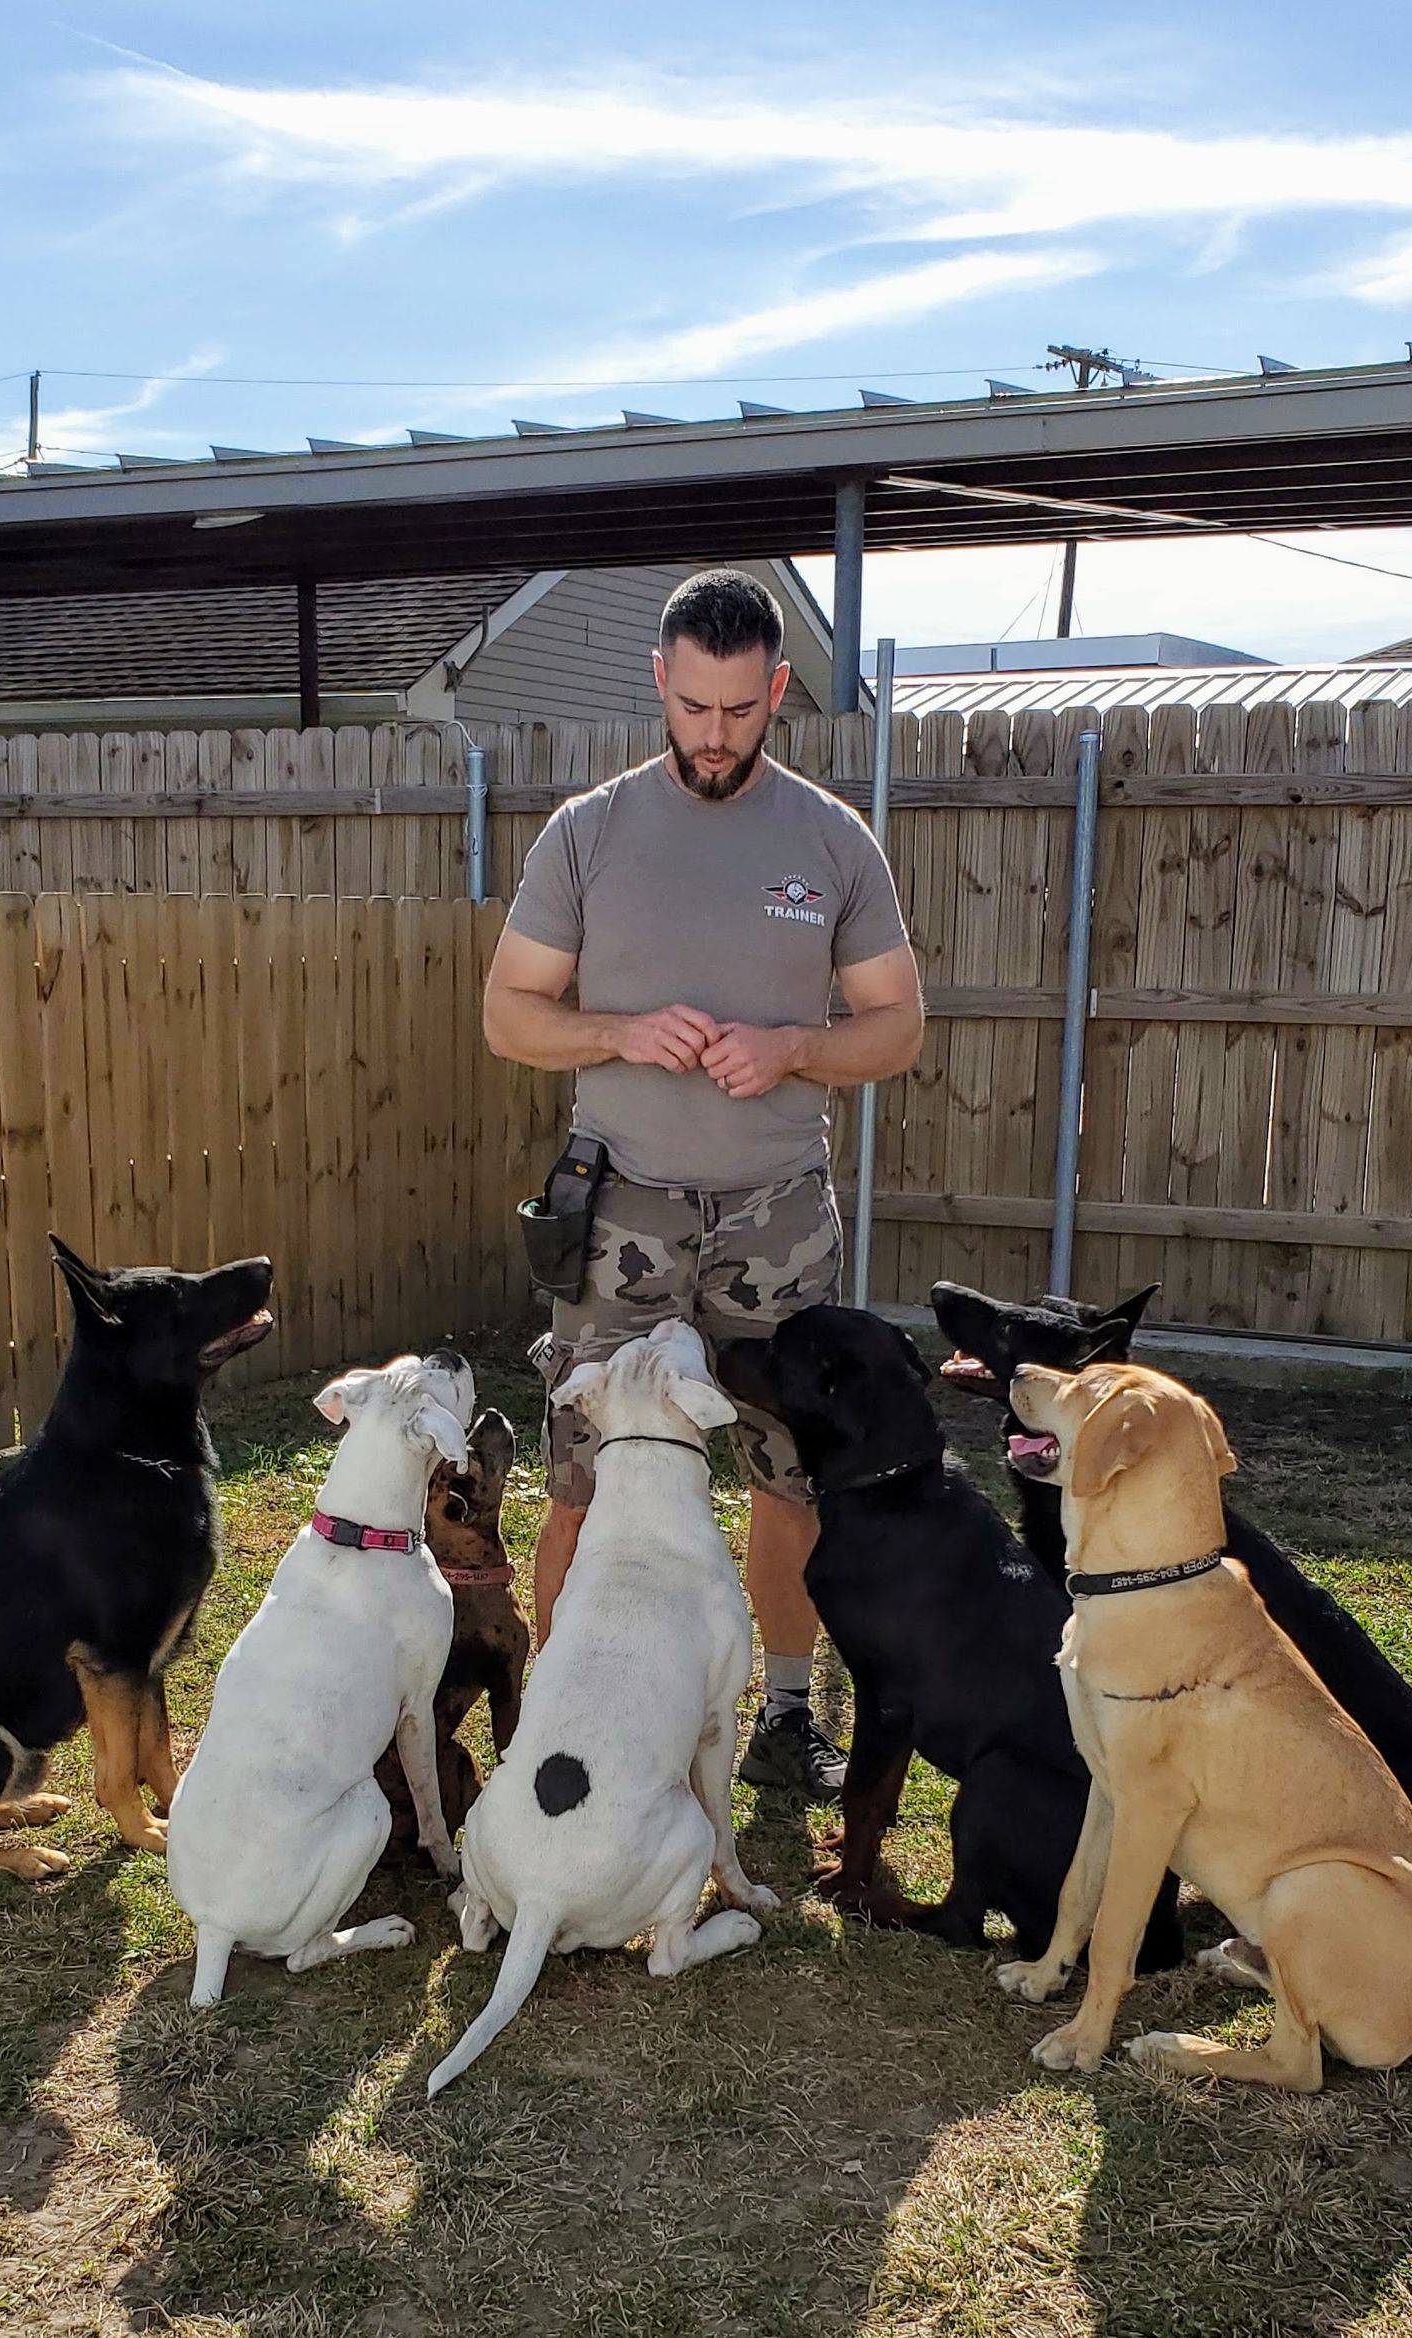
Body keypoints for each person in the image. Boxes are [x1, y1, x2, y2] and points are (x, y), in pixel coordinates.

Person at [482, 566, 924, 1795]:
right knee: (585, 1464)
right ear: (660, 686)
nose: (715, 736)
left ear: (777, 689)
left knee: (789, 1469)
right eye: (693, 707)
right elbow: (509, 1013)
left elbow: (896, 1028)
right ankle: (553, 1714)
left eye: (739, 709)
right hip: (620, 1205)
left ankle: (788, 1713)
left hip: (778, 1212)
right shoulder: (590, 831)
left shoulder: (834, 840)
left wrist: (795, 1047)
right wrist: (618, 1030)